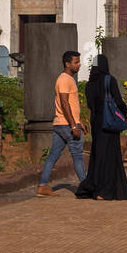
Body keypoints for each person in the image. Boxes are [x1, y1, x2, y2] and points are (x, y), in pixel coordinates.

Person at [76, 54, 127, 200]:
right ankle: (104, 191)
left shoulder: (89, 84)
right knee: (110, 156)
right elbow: (118, 101)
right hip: (109, 122)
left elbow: (89, 105)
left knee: (98, 154)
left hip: (96, 122)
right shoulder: (109, 80)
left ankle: (94, 186)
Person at [37, 50, 86, 196]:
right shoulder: (64, 79)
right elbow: (65, 104)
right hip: (66, 125)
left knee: (53, 155)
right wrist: (73, 125)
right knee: (77, 155)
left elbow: (71, 104)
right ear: (67, 63)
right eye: (76, 62)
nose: (79, 64)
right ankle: (86, 187)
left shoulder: (68, 79)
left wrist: (79, 121)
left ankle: (43, 186)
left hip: (61, 123)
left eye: (79, 61)